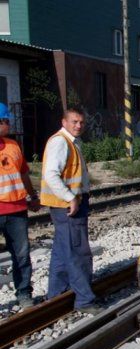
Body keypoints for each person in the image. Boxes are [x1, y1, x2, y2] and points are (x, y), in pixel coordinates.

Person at [41, 106, 100, 313]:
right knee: (78, 251)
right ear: (64, 122)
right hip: (68, 206)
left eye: (81, 122)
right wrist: (70, 198)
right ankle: (84, 300)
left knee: (61, 251)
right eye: (74, 121)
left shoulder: (71, 143)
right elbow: (51, 174)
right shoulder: (60, 142)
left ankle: (56, 295)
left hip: (64, 206)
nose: (79, 125)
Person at [0, 103, 40, 308]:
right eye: (7, 121)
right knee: (20, 254)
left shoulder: (14, 146)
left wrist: (33, 197)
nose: (9, 124)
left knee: (21, 255)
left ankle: (24, 293)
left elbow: (23, 174)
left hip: (16, 210)